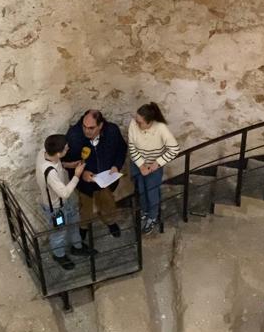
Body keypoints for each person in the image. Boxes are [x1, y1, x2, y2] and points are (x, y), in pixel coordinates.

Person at [64, 110, 128, 239]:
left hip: (105, 179)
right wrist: (81, 174)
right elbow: (66, 163)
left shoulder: (112, 132)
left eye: (91, 128)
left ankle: (110, 222)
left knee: (108, 203)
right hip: (85, 182)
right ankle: (84, 227)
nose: (87, 131)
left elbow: (121, 148)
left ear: (100, 125)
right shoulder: (74, 136)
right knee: (85, 207)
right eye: (84, 127)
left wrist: (116, 165)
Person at [36, 134, 96, 271]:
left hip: (66, 204)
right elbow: (64, 192)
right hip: (57, 209)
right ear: (58, 153)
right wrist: (77, 175)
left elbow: (58, 165)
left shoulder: (44, 152)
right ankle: (59, 255)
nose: (68, 149)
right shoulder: (49, 172)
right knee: (59, 233)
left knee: (75, 223)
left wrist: (69, 164)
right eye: (66, 149)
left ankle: (77, 247)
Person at [128, 102, 180, 234]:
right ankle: (145, 211)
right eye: (136, 120)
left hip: (154, 166)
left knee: (152, 192)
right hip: (139, 164)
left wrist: (157, 163)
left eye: (140, 122)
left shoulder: (161, 128)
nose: (136, 123)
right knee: (141, 190)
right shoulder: (133, 124)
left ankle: (152, 217)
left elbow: (174, 149)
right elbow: (132, 146)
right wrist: (141, 165)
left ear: (150, 122)